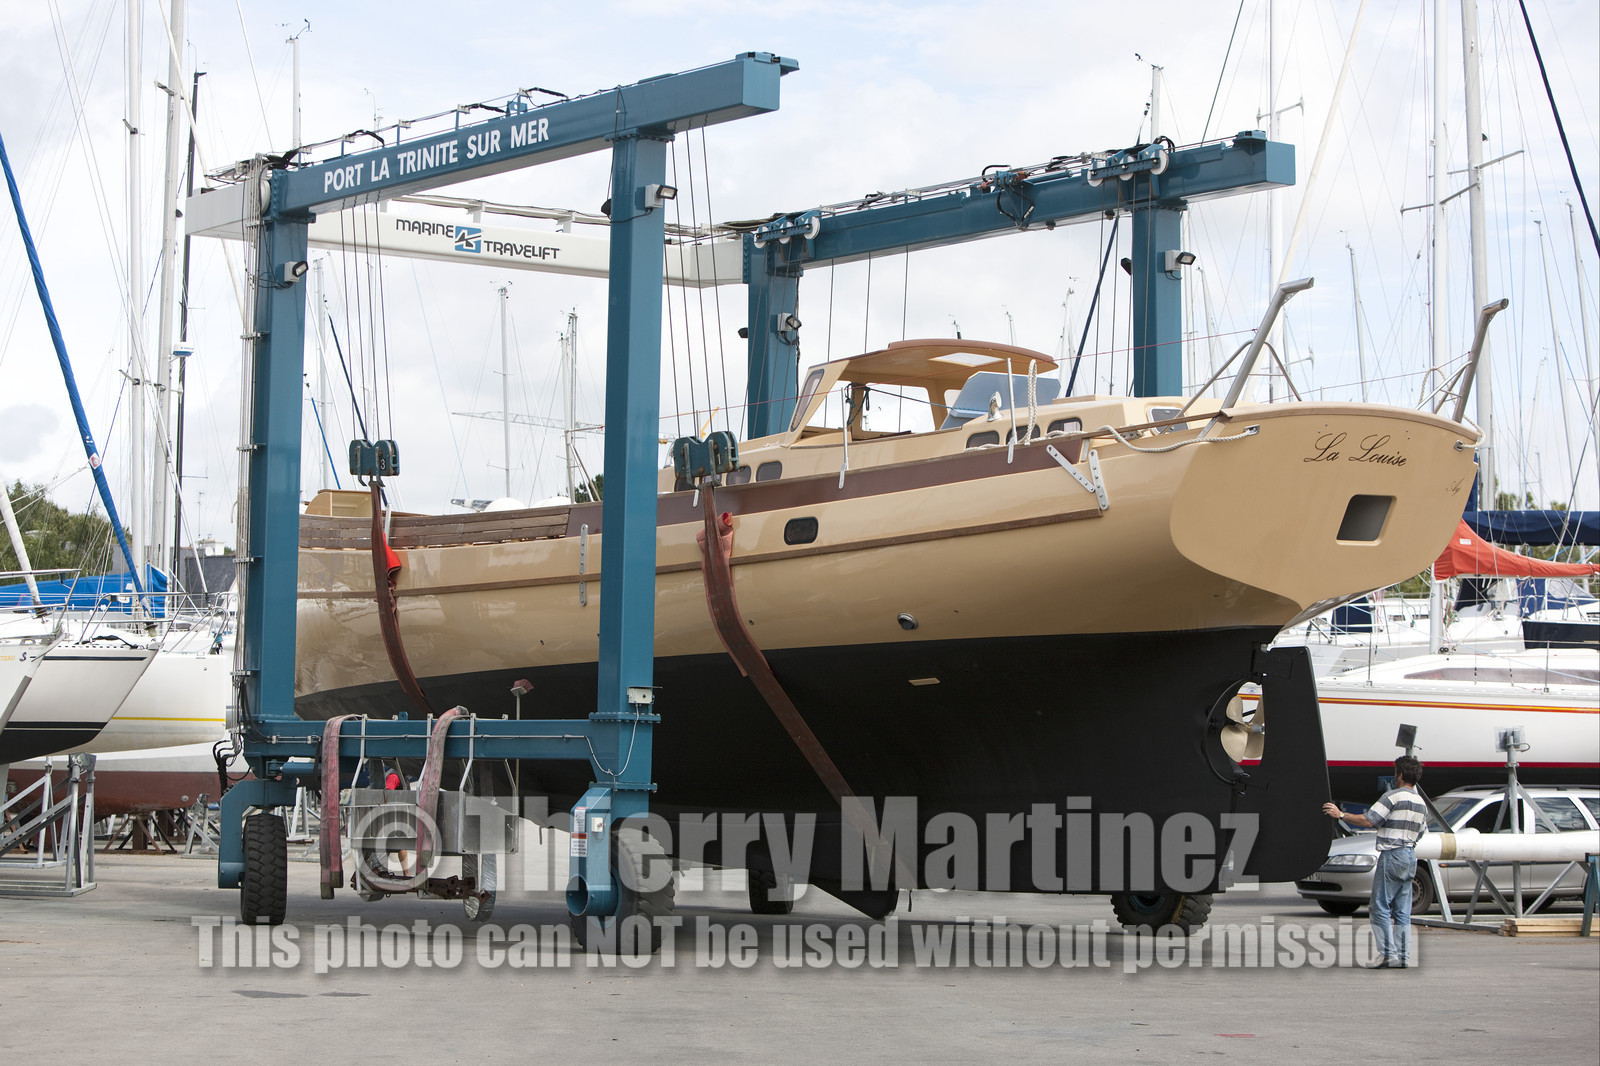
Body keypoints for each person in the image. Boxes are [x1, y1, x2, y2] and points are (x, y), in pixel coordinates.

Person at [1322, 755, 1426, 969]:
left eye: (1396, 772)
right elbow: (1422, 832)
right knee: (1402, 910)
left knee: (1379, 906)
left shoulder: (1393, 797)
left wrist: (1340, 814)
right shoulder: (1420, 803)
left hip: (1392, 854)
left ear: (1401, 775)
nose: (1394, 775)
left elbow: (1369, 819)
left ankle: (1388, 954)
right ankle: (1403, 956)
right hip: (1409, 856)